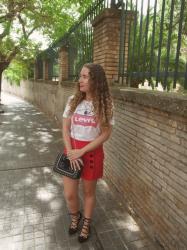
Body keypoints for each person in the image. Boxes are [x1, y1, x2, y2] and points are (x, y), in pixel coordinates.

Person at [62, 63, 114, 243]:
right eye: (80, 76)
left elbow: (106, 133)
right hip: (71, 152)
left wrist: (82, 151)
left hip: (91, 153)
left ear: (95, 81)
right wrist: (70, 151)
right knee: (69, 193)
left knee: (89, 193)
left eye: (84, 77)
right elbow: (65, 128)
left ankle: (86, 223)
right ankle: (75, 217)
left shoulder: (104, 104)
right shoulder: (72, 100)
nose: (80, 80)